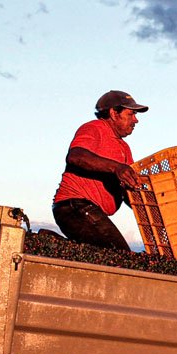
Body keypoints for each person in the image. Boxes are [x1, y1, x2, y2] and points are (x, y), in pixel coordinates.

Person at [51, 90, 149, 251]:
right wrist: (116, 167)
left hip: (90, 211)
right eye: (131, 114)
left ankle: (56, 243)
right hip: (74, 206)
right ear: (113, 113)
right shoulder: (94, 128)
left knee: (112, 255)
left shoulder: (124, 148)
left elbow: (127, 190)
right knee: (120, 255)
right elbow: (76, 156)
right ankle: (54, 245)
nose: (136, 120)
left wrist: (150, 207)